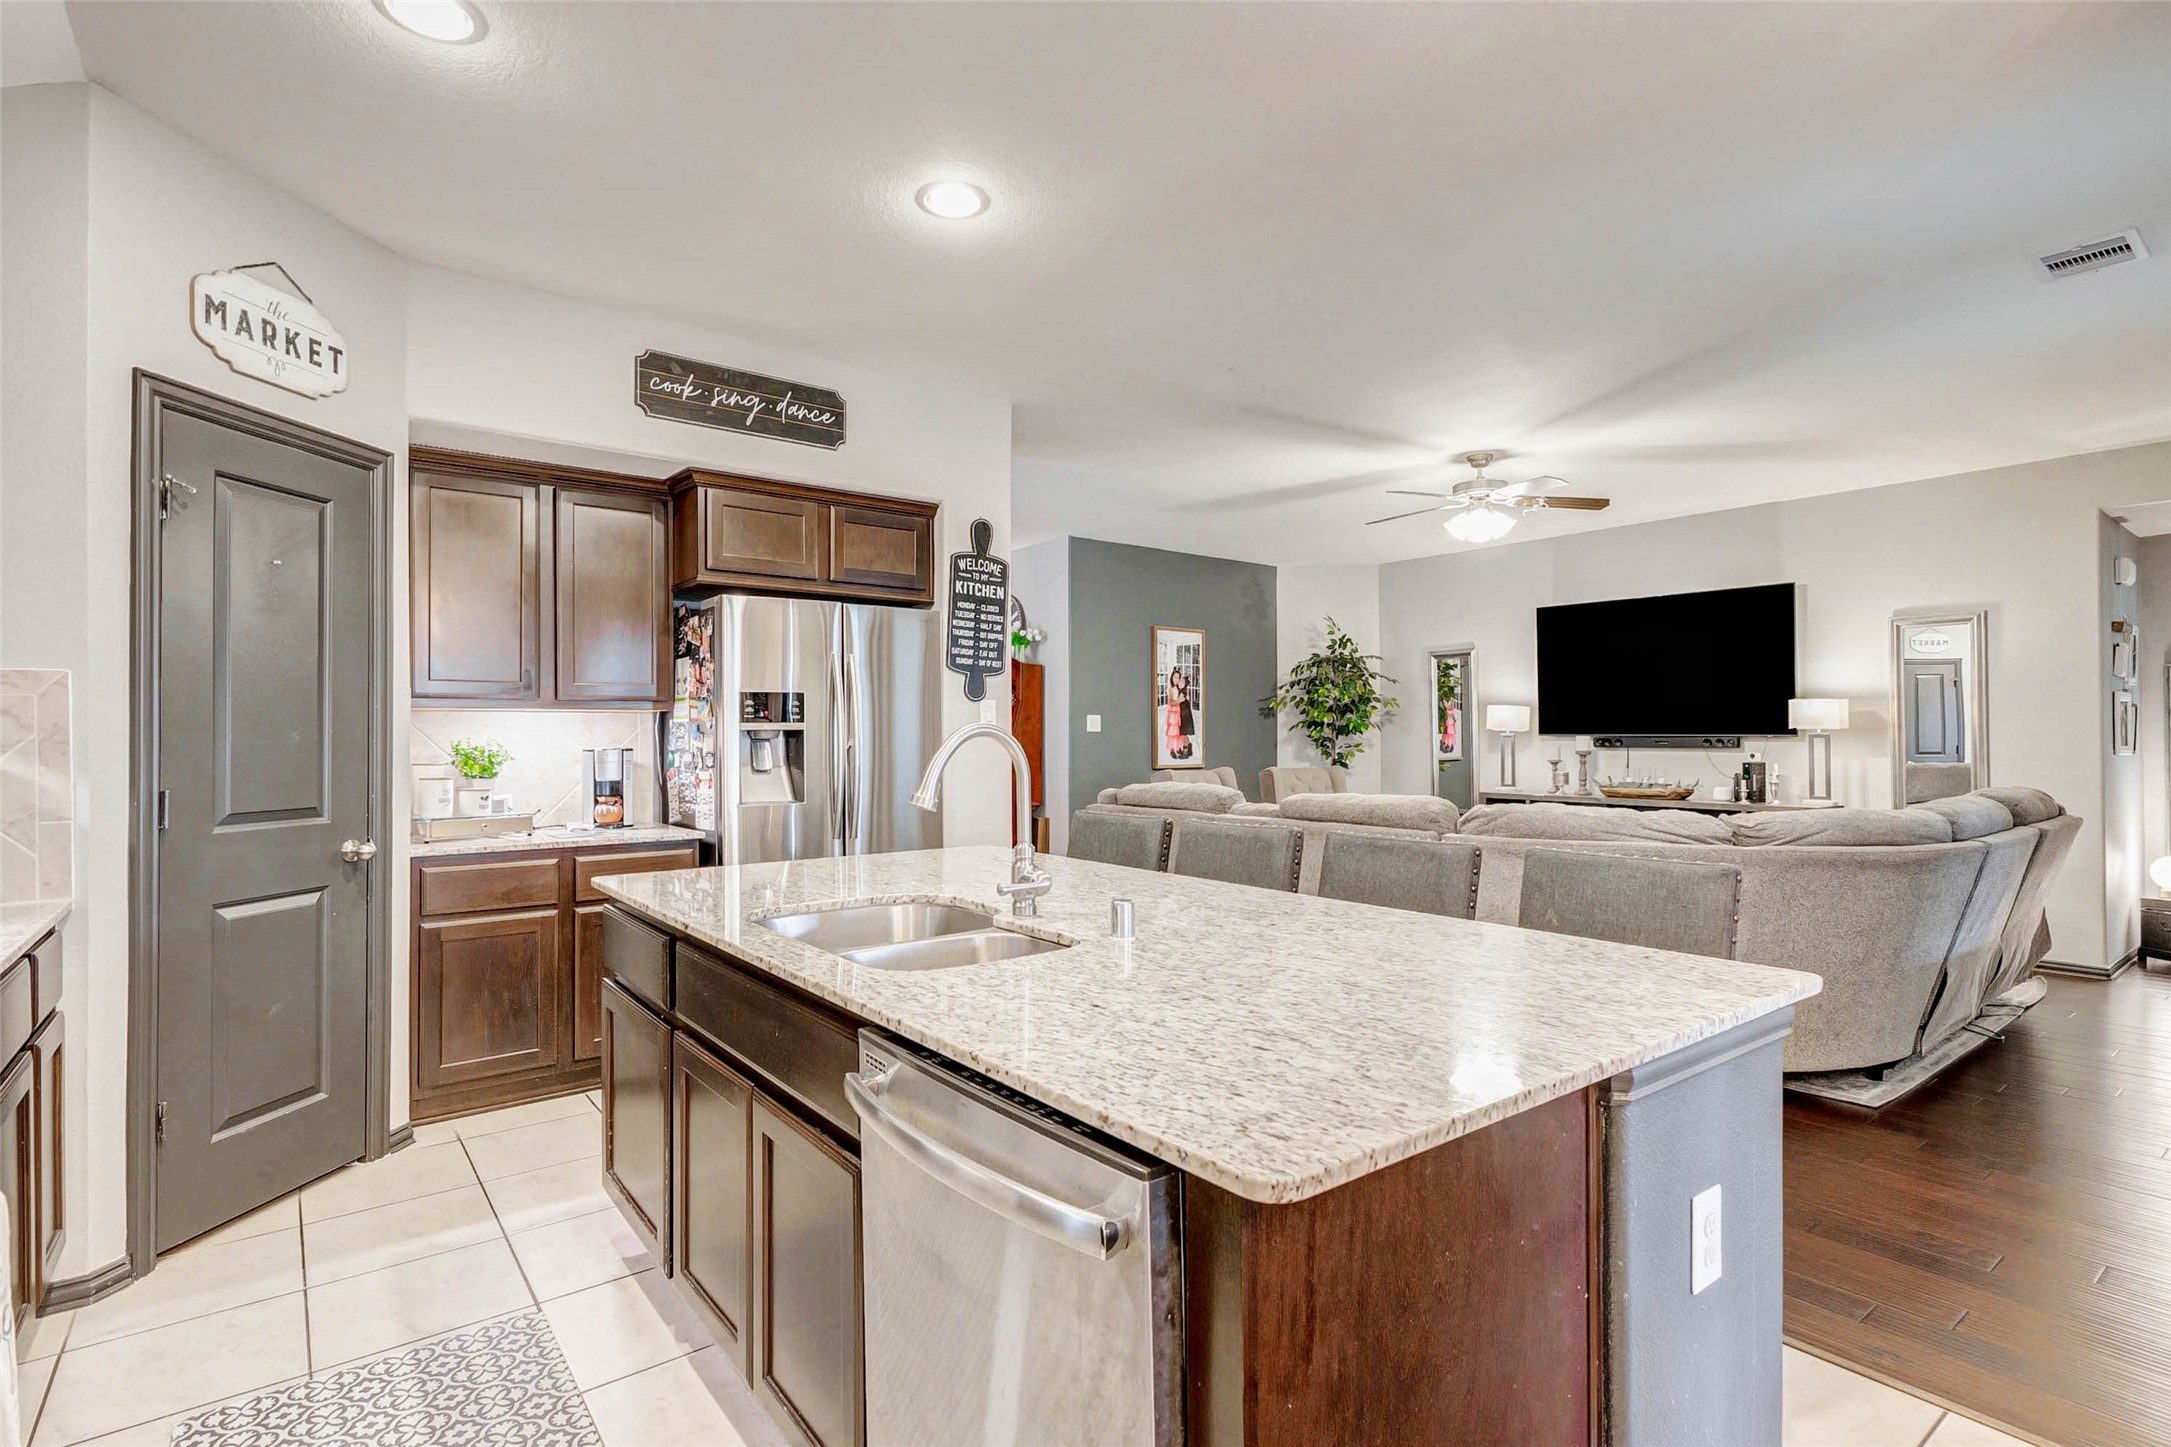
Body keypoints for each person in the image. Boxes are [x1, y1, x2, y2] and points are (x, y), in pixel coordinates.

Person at [1165, 667, 1194, 761]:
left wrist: (1185, 697)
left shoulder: (1179, 689)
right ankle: (1173, 749)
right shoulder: (1172, 688)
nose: (1176, 679)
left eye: (1178, 677)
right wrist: (1179, 701)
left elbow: (1184, 693)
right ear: (1171, 677)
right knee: (1174, 732)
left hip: (1182, 714)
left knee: (1181, 732)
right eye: (1175, 677)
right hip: (1174, 713)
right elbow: (1171, 702)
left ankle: (1183, 748)